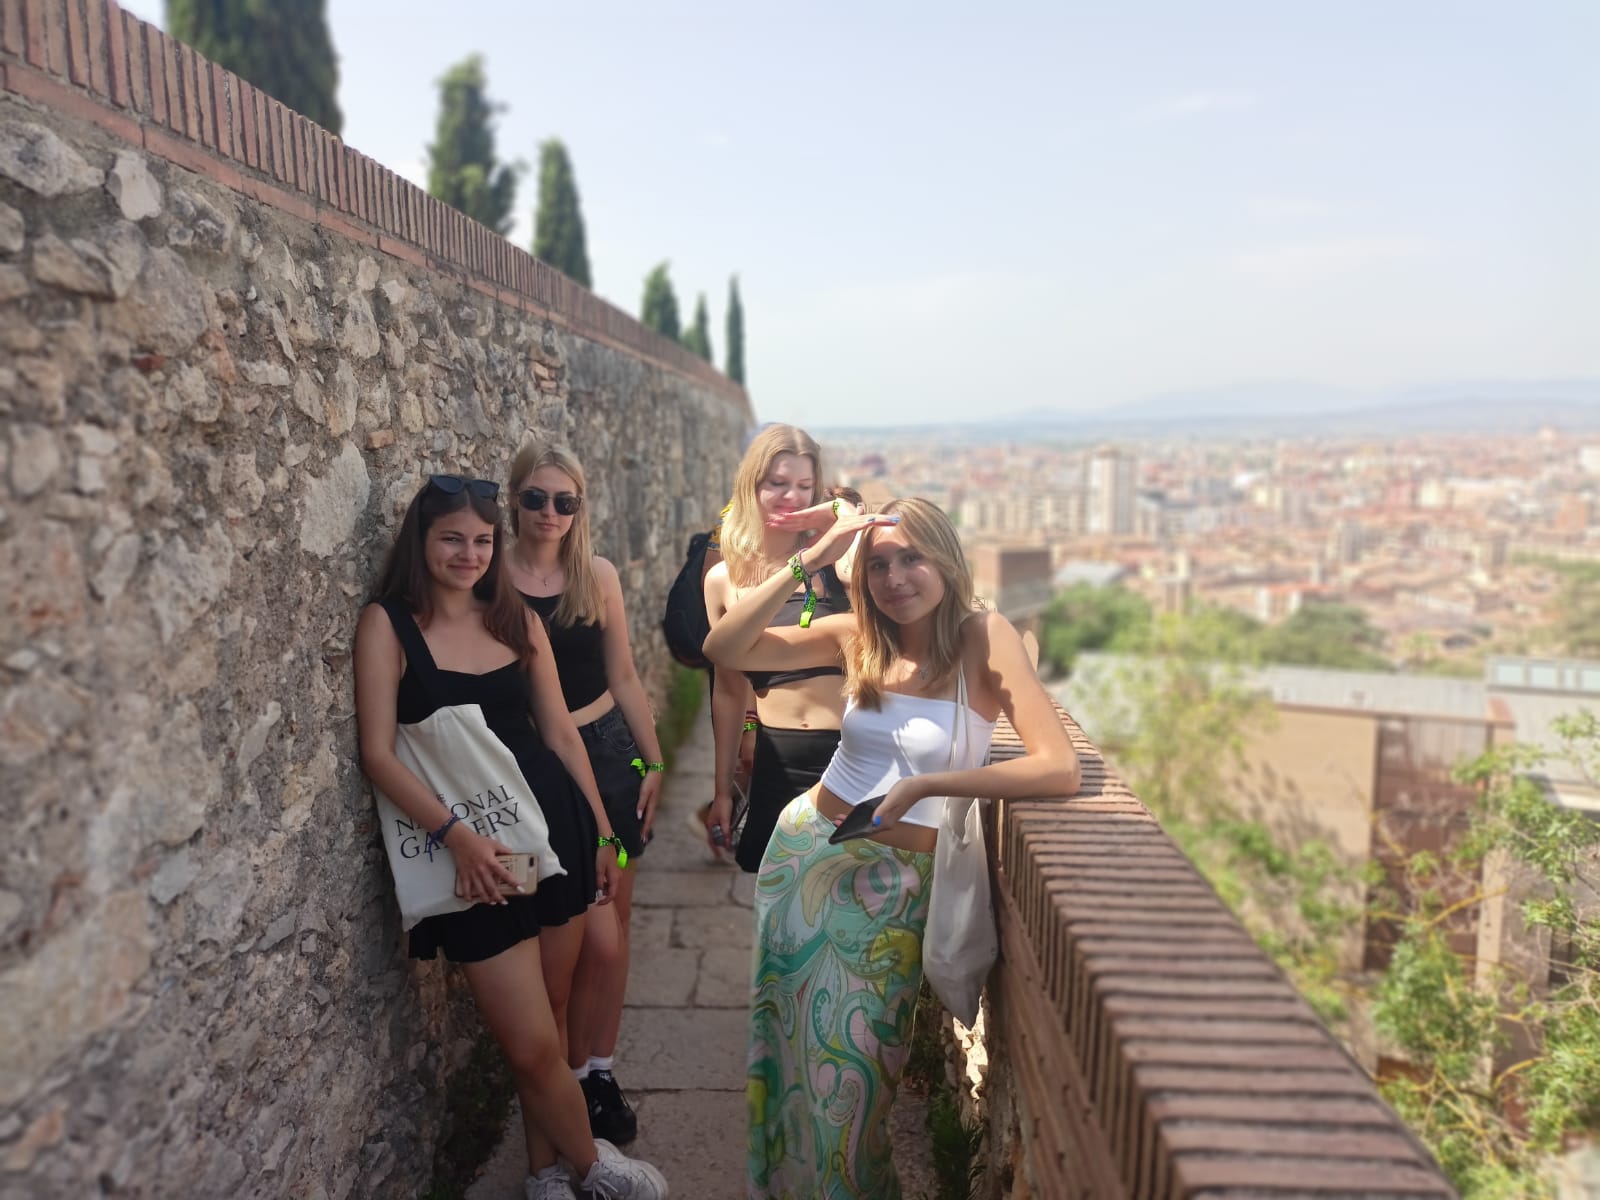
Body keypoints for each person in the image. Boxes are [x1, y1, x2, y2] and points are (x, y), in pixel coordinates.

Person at [702, 497, 1081, 1199]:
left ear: (947, 559)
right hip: (806, 857)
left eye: (912, 558)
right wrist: (812, 559)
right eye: (877, 565)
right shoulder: (857, 636)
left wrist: (928, 784)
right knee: (787, 1061)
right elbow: (724, 649)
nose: (895, 578)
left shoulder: (982, 637)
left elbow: (1059, 768)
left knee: (853, 1089)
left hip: (895, 892)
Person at [353, 474, 668, 1200]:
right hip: (470, 849)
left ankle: (543, 1173)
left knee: (550, 1023)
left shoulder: (514, 618)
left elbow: (560, 733)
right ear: (420, 542)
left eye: (482, 541)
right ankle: (594, 1167)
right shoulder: (389, 625)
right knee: (527, 1041)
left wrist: (602, 837)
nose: (468, 554)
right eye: (451, 539)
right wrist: (457, 838)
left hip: (551, 832)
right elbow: (376, 753)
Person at [505, 442, 664, 1146]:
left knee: (611, 933)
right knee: (568, 936)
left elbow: (622, 674)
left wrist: (654, 759)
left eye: (565, 501)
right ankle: (564, 1076)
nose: (550, 513)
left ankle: (598, 1071)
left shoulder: (595, 576)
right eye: (536, 498)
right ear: (514, 498)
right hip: (536, 766)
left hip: (607, 756)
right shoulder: (494, 577)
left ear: (579, 508)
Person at [701, 425, 855, 872]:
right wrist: (723, 790)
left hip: (849, 756)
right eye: (778, 483)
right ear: (751, 486)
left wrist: (840, 513)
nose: (793, 497)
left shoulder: (839, 562)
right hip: (778, 759)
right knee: (778, 901)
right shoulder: (724, 579)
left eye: (805, 486)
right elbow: (728, 690)